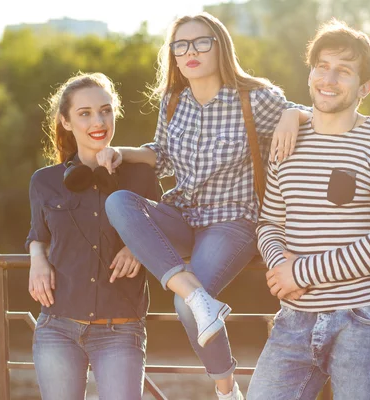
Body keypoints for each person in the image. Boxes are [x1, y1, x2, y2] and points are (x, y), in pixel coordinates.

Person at [97, 12, 310, 400]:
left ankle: (226, 389)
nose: (190, 51)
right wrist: (121, 152)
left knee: (183, 305)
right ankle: (199, 297)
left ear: (220, 47)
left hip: (233, 222)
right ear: (174, 56)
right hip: (182, 216)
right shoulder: (173, 101)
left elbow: (310, 116)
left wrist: (294, 115)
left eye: (200, 42)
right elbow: (161, 156)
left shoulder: (254, 98)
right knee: (119, 202)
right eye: (181, 45)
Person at [247, 19, 370, 400]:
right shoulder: (287, 141)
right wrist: (281, 267)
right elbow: (270, 221)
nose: (329, 78)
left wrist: (302, 272)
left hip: (362, 319)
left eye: (344, 71)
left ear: (365, 86)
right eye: (322, 66)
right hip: (293, 318)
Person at [25, 72, 161, 400]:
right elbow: (38, 233)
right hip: (57, 326)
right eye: (84, 113)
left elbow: (170, 228)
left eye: (105, 110)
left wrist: (136, 244)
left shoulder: (141, 175)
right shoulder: (44, 181)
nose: (98, 121)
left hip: (121, 329)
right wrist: (36, 258)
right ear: (66, 122)